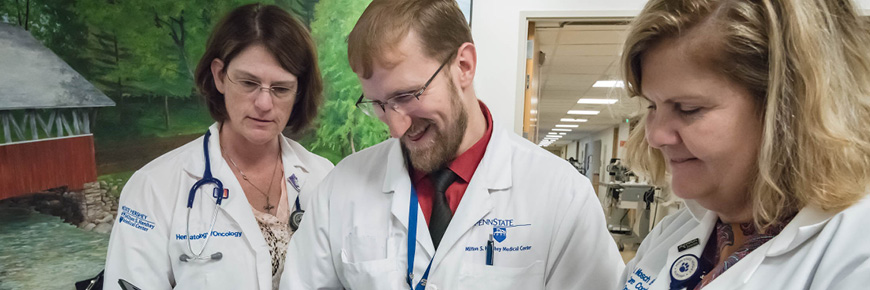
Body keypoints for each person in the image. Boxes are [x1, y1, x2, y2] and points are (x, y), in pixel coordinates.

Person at [280, 0, 625, 289]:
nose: (396, 129)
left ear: (464, 66)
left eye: (407, 95)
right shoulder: (342, 187)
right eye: (379, 105)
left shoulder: (562, 195)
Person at [618, 0, 870, 289]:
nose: (655, 137)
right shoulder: (675, 232)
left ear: (790, 111)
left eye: (688, 108)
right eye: (652, 106)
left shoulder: (857, 254)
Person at [103, 4, 333, 289]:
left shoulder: (325, 178)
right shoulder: (153, 188)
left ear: (298, 91)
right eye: (249, 83)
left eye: (281, 88)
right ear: (220, 76)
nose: (264, 103)